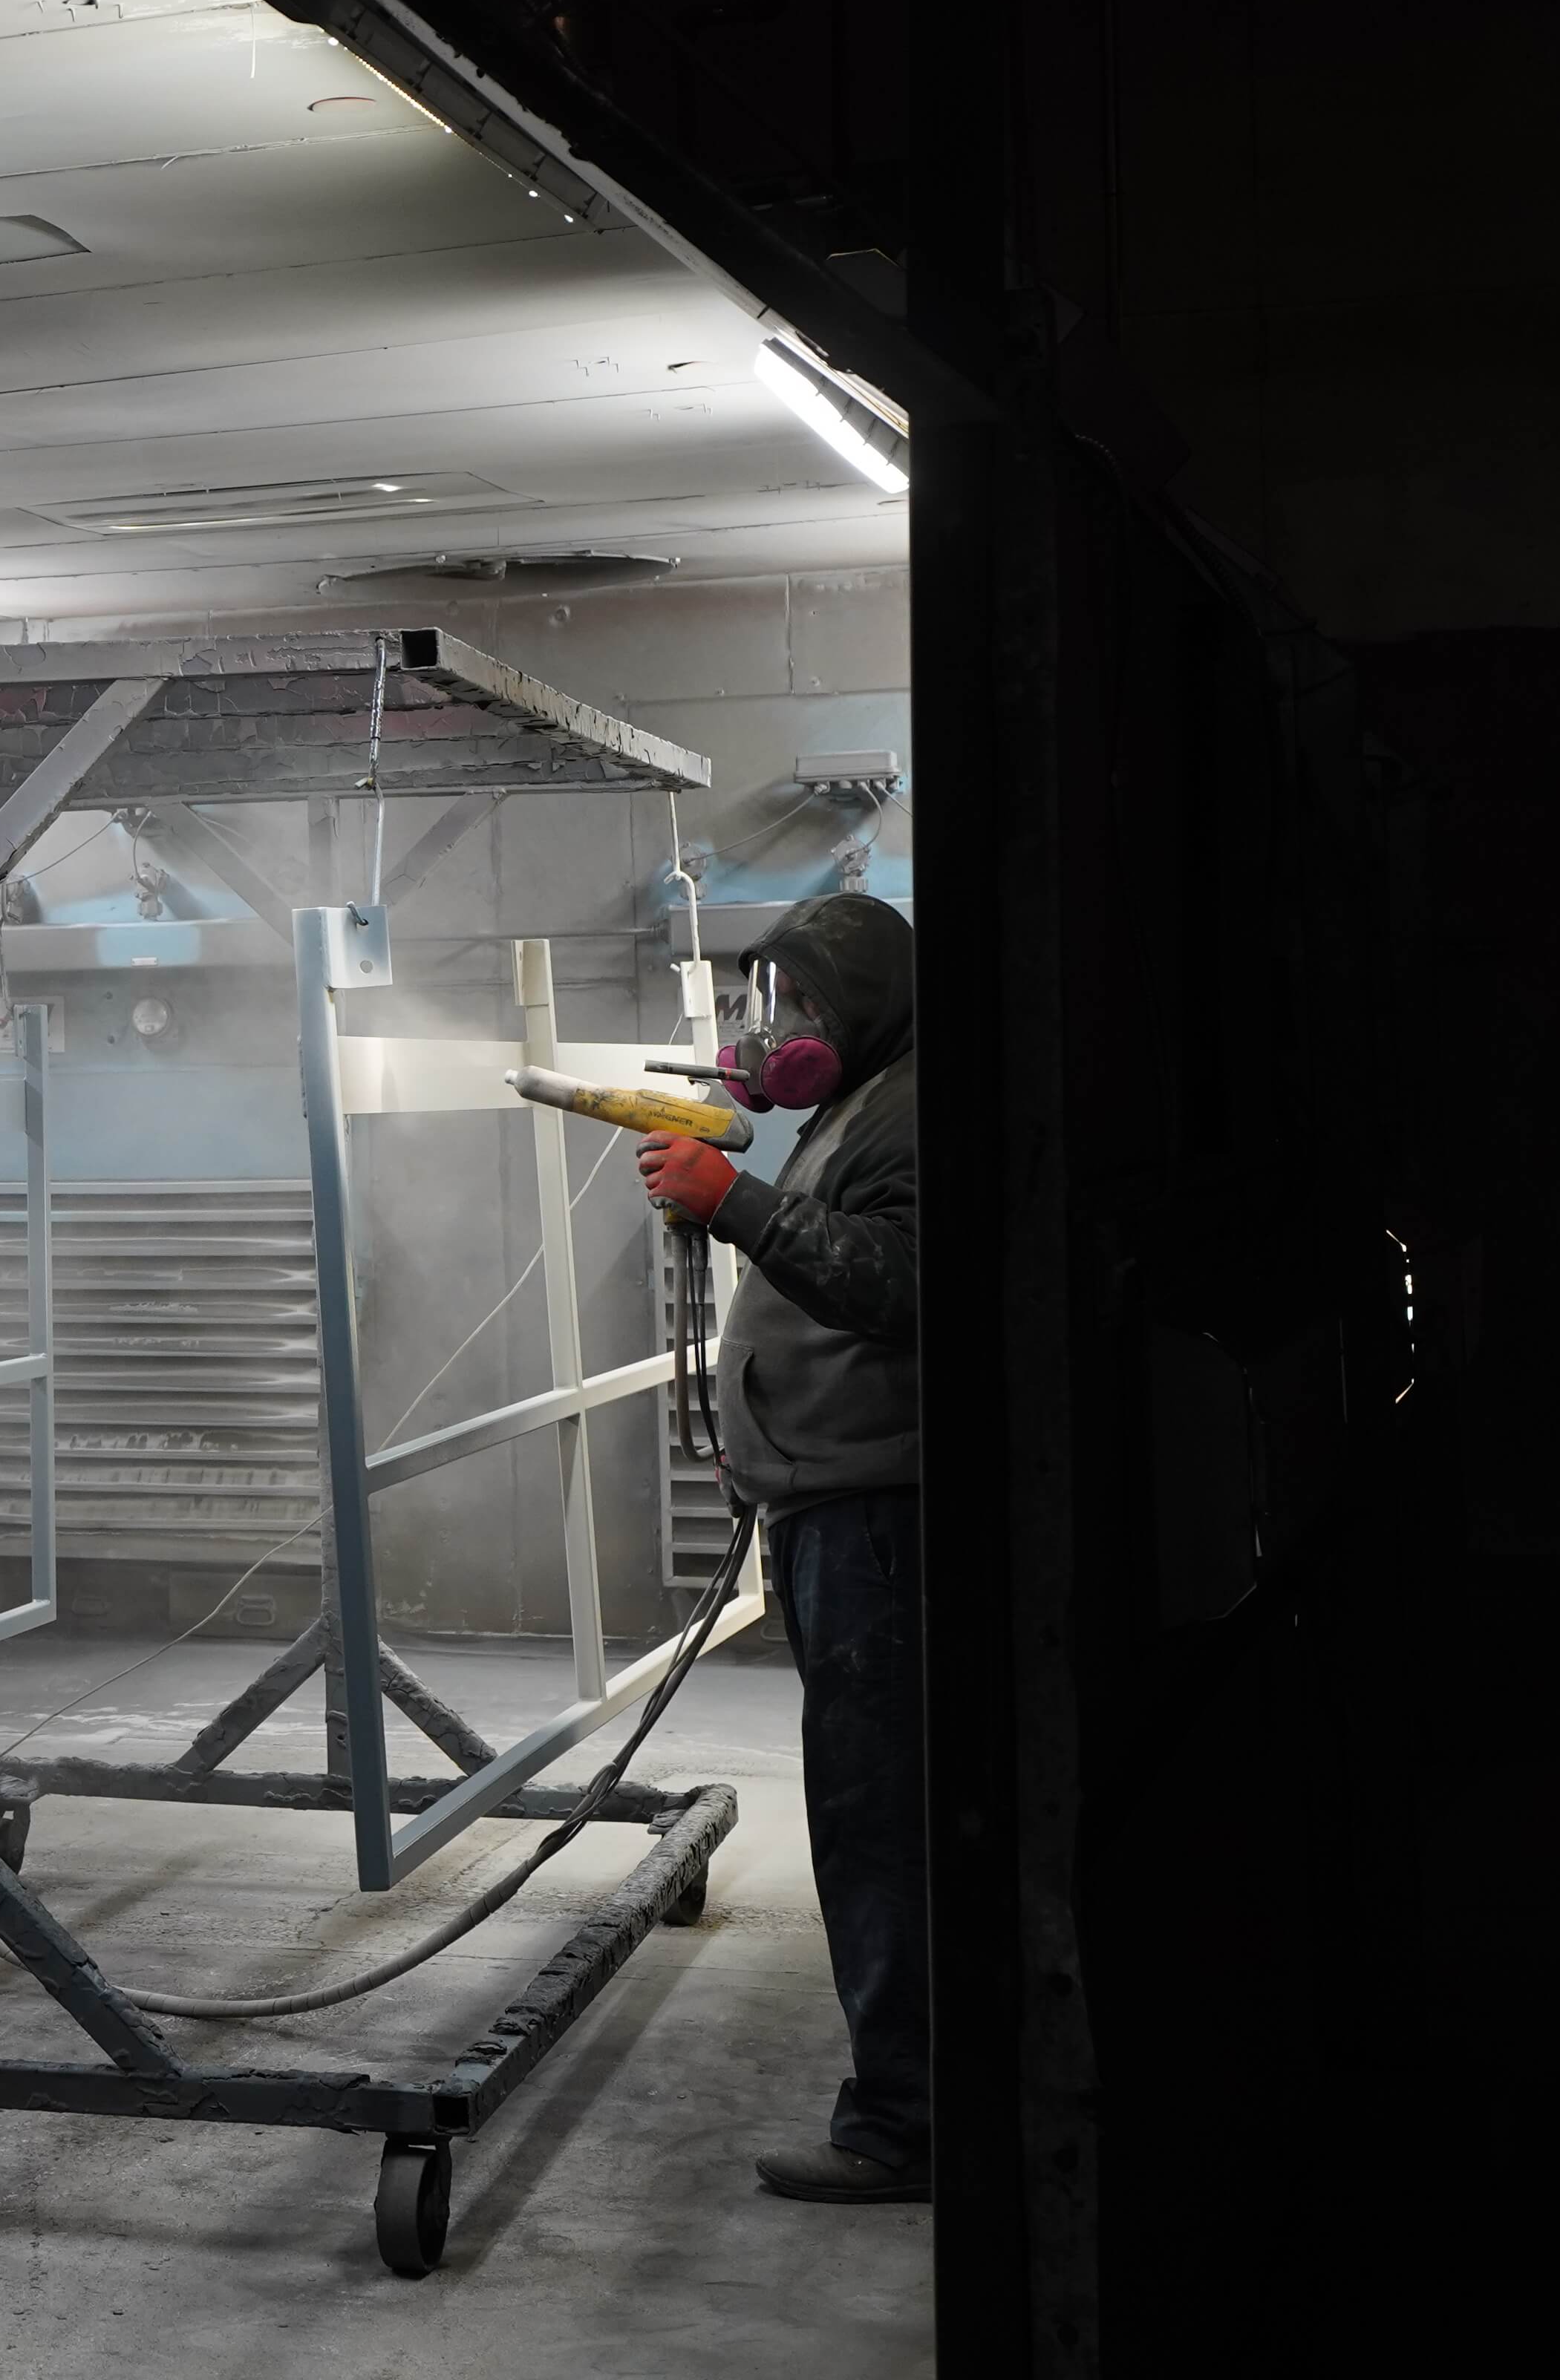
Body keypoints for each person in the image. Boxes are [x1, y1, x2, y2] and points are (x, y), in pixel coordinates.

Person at [632, 887, 927, 2206]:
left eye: (799, 1000)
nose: (778, 1026)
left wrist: (738, 1203)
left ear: (853, 1005)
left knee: (877, 1824)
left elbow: (905, 1285)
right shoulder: (856, 1106)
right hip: (838, 1508)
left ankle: (903, 2130)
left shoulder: (915, 1106)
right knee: (872, 1816)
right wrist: (719, 1199)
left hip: (880, 1519)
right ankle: (909, 2095)